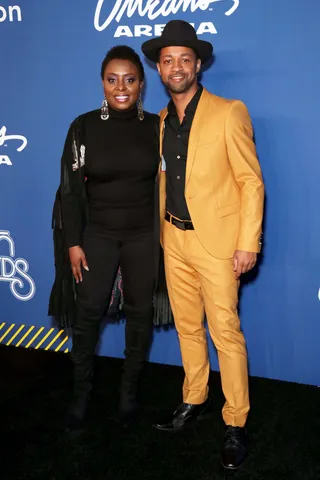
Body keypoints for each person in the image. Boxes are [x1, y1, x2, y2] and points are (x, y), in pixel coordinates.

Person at [141, 21, 264, 471]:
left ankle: (236, 422)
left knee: (225, 332)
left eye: (185, 59)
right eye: (168, 60)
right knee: (187, 328)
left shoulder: (230, 112)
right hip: (172, 238)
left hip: (218, 245)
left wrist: (247, 241)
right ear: (159, 68)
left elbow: (251, 182)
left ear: (198, 65)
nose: (176, 67)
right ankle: (194, 398)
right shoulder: (157, 123)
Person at [49, 45, 171, 431]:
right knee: (87, 317)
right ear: (102, 82)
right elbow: (69, 189)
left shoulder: (157, 126)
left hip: (143, 237)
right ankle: (80, 397)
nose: (121, 88)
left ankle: (128, 397)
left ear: (141, 84)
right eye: (112, 79)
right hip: (96, 235)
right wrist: (72, 242)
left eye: (130, 80)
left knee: (139, 315)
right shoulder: (82, 127)